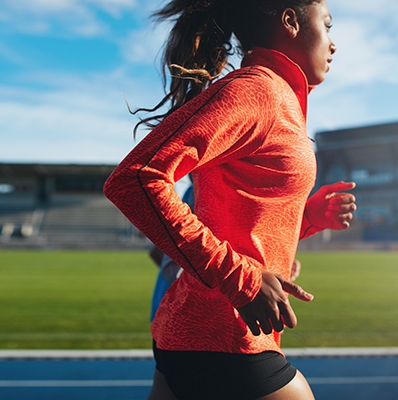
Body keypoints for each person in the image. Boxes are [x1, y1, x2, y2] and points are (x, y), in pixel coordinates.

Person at [104, 0, 357, 398]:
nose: (333, 44)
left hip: (196, 333)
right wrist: (244, 282)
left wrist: (306, 219)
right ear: (290, 21)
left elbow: (240, 223)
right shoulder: (255, 91)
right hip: (224, 337)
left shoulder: (279, 98)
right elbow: (135, 178)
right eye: (326, 25)